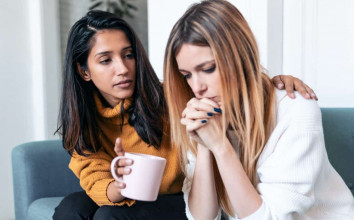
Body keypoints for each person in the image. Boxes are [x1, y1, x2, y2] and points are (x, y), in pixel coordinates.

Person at [53, 9, 317, 220]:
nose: (122, 68)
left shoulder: (176, 96)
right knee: (72, 207)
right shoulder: (84, 123)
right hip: (133, 195)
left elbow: (234, 87)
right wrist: (121, 185)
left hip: (180, 196)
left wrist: (273, 83)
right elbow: (95, 180)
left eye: (128, 54)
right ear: (83, 71)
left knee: (110, 215)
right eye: (105, 60)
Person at [163, 0, 354, 220]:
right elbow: (202, 218)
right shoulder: (206, 113)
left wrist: (221, 146)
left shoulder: (296, 110)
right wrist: (206, 144)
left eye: (208, 69)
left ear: (241, 56)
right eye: (187, 75)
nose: (197, 87)